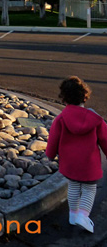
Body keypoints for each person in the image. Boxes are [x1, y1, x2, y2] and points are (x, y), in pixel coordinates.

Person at [46, 76, 107, 233]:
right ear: (84, 96)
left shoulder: (61, 119)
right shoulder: (95, 119)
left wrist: (50, 154)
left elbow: (53, 139)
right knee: (89, 189)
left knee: (73, 186)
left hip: (70, 163)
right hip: (89, 164)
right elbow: (105, 139)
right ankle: (83, 215)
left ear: (64, 99)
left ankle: (73, 215)